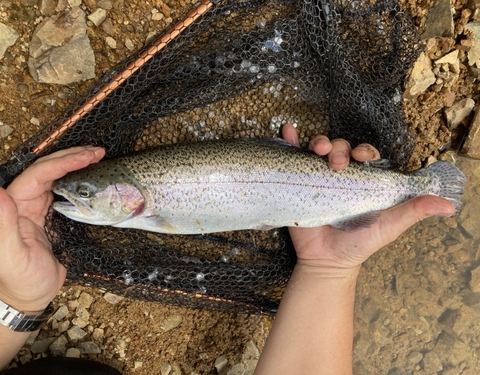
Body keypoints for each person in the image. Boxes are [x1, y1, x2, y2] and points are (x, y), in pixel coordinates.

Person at [0, 125, 455, 374]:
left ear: (124, 193)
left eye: (84, 191)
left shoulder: (147, 209)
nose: (72, 198)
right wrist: (328, 271)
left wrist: (18, 300)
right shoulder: (142, 206)